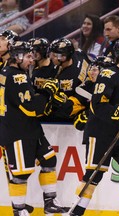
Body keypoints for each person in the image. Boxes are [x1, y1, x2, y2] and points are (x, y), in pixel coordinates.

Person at [69, 38, 119, 216]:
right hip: (100, 133)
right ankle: (75, 212)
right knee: (94, 175)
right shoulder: (109, 74)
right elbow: (97, 105)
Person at [0, 40, 68, 215]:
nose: (32, 60)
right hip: (18, 131)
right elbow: (30, 108)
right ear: (18, 56)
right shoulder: (17, 76)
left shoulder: (8, 71)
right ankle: (19, 209)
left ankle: (50, 202)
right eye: (29, 56)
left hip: (27, 128)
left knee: (49, 160)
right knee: (21, 174)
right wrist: (47, 93)